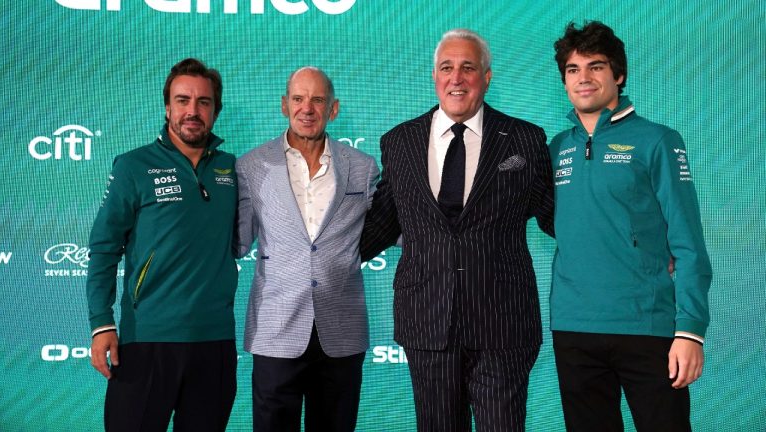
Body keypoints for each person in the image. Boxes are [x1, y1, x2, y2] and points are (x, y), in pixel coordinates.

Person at [360, 29, 555, 431]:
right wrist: (313, 256)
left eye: (468, 67)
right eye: (447, 67)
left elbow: (559, 218)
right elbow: (381, 223)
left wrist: (637, 247)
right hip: (427, 321)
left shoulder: (526, 139)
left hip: (504, 324)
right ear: (434, 76)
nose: (456, 78)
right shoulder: (399, 141)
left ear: (487, 76)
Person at [548, 21, 712, 431]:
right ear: (564, 80)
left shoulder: (657, 140)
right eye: (573, 69)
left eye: (596, 66)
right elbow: (563, 221)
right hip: (574, 327)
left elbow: (688, 242)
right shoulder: (555, 148)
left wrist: (690, 330)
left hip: (646, 325)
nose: (583, 78)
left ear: (618, 75)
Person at [85, 58, 238, 431]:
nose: (192, 111)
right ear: (167, 107)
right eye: (182, 100)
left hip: (215, 341)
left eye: (203, 102)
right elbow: (104, 248)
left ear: (215, 111)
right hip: (146, 340)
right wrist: (101, 323)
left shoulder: (233, 169)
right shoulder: (133, 166)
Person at [235, 66, 379, 432]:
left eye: (317, 99)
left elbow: (392, 229)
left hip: (342, 331)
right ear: (284, 105)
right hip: (275, 329)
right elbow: (237, 241)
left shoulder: (362, 168)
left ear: (333, 109)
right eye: (298, 99)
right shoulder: (252, 166)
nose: (307, 108)